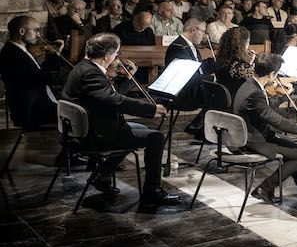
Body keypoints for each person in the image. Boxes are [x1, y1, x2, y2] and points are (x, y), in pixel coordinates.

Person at [60, 33, 180, 207]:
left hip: (88, 127)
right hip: (94, 134)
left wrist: (128, 79)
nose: (117, 58)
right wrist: (152, 108)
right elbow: (115, 101)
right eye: (116, 54)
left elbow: (109, 97)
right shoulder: (91, 74)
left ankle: (103, 174)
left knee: (136, 127)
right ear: (107, 56)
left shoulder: (83, 67)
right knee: (156, 137)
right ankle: (152, 192)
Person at [233, 53, 297, 201]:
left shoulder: (249, 84)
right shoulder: (254, 93)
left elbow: (265, 108)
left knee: (292, 150)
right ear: (272, 74)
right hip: (254, 140)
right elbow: (277, 121)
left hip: (249, 135)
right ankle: (264, 188)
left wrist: (284, 96)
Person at [0, 15, 63, 128]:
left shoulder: (19, 51)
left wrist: (56, 54)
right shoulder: (12, 55)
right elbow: (43, 77)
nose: (38, 35)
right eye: (36, 30)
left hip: (39, 104)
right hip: (33, 111)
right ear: (22, 31)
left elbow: (39, 72)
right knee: (82, 112)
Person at [213, 26, 255, 94]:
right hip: (239, 100)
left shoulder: (221, 59)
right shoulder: (240, 65)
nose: (248, 44)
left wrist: (249, 63)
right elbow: (257, 82)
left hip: (225, 98)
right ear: (243, 44)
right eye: (248, 42)